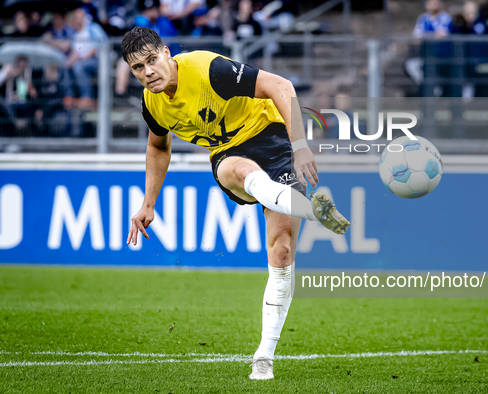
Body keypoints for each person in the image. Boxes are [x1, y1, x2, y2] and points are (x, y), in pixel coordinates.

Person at [122, 26, 350, 380]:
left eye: (152, 60)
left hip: (272, 139)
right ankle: (312, 210)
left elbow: (281, 87)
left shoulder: (209, 70)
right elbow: (157, 146)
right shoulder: (153, 104)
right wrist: (148, 203)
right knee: (240, 171)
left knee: (283, 251)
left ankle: (264, 356)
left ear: (166, 53)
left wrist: (301, 145)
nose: (148, 72)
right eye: (138, 67)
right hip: (228, 155)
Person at [66, 7, 108, 110]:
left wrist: (83, 58)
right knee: (67, 67)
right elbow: (75, 52)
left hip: (99, 61)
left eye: (79, 17)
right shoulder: (75, 35)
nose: (77, 19)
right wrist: (67, 63)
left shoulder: (93, 28)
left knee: (79, 66)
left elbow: (99, 46)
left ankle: (87, 97)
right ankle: (70, 97)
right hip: (83, 61)